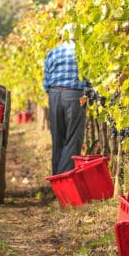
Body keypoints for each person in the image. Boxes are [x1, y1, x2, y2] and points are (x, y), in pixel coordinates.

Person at [42, 23, 87, 175]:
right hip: (75, 95)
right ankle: (64, 178)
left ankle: (56, 179)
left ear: (62, 36)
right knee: (73, 138)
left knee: (57, 138)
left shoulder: (52, 53)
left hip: (54, 95)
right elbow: (88, 79)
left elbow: (46, 82)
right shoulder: (83, 53)